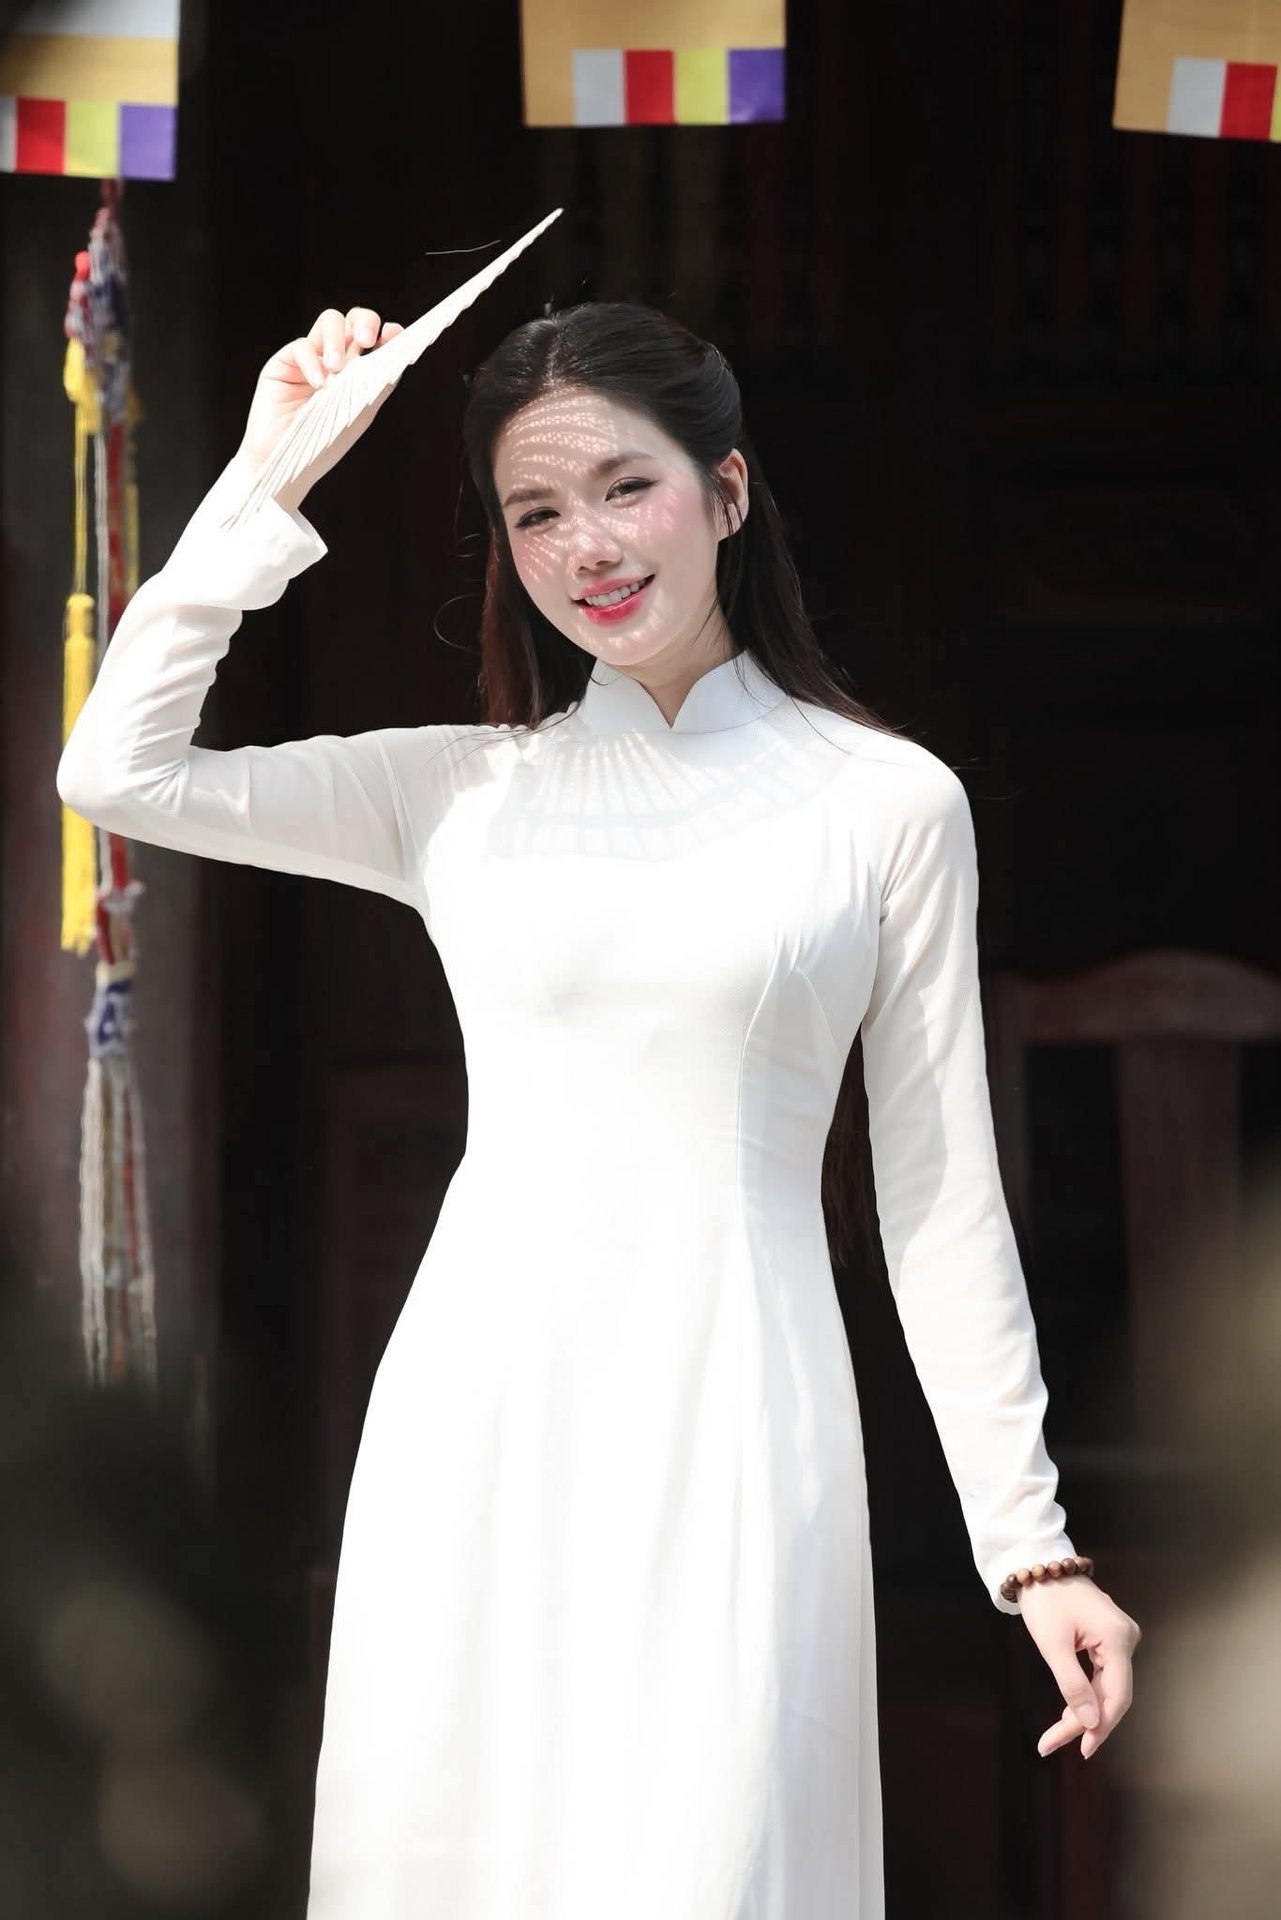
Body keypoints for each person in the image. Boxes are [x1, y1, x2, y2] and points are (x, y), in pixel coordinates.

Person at [57, 296, 1141, 1918]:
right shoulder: (458, 791)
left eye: (625, 486)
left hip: (737, 1409)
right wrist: (271, 476)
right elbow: (116, 773)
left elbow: (935, 1194)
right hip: (482, 1409)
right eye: (536, 512)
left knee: (717, 1857)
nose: (588, 547)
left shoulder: (885, 804)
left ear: (727, 488)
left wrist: (1029, 1545)